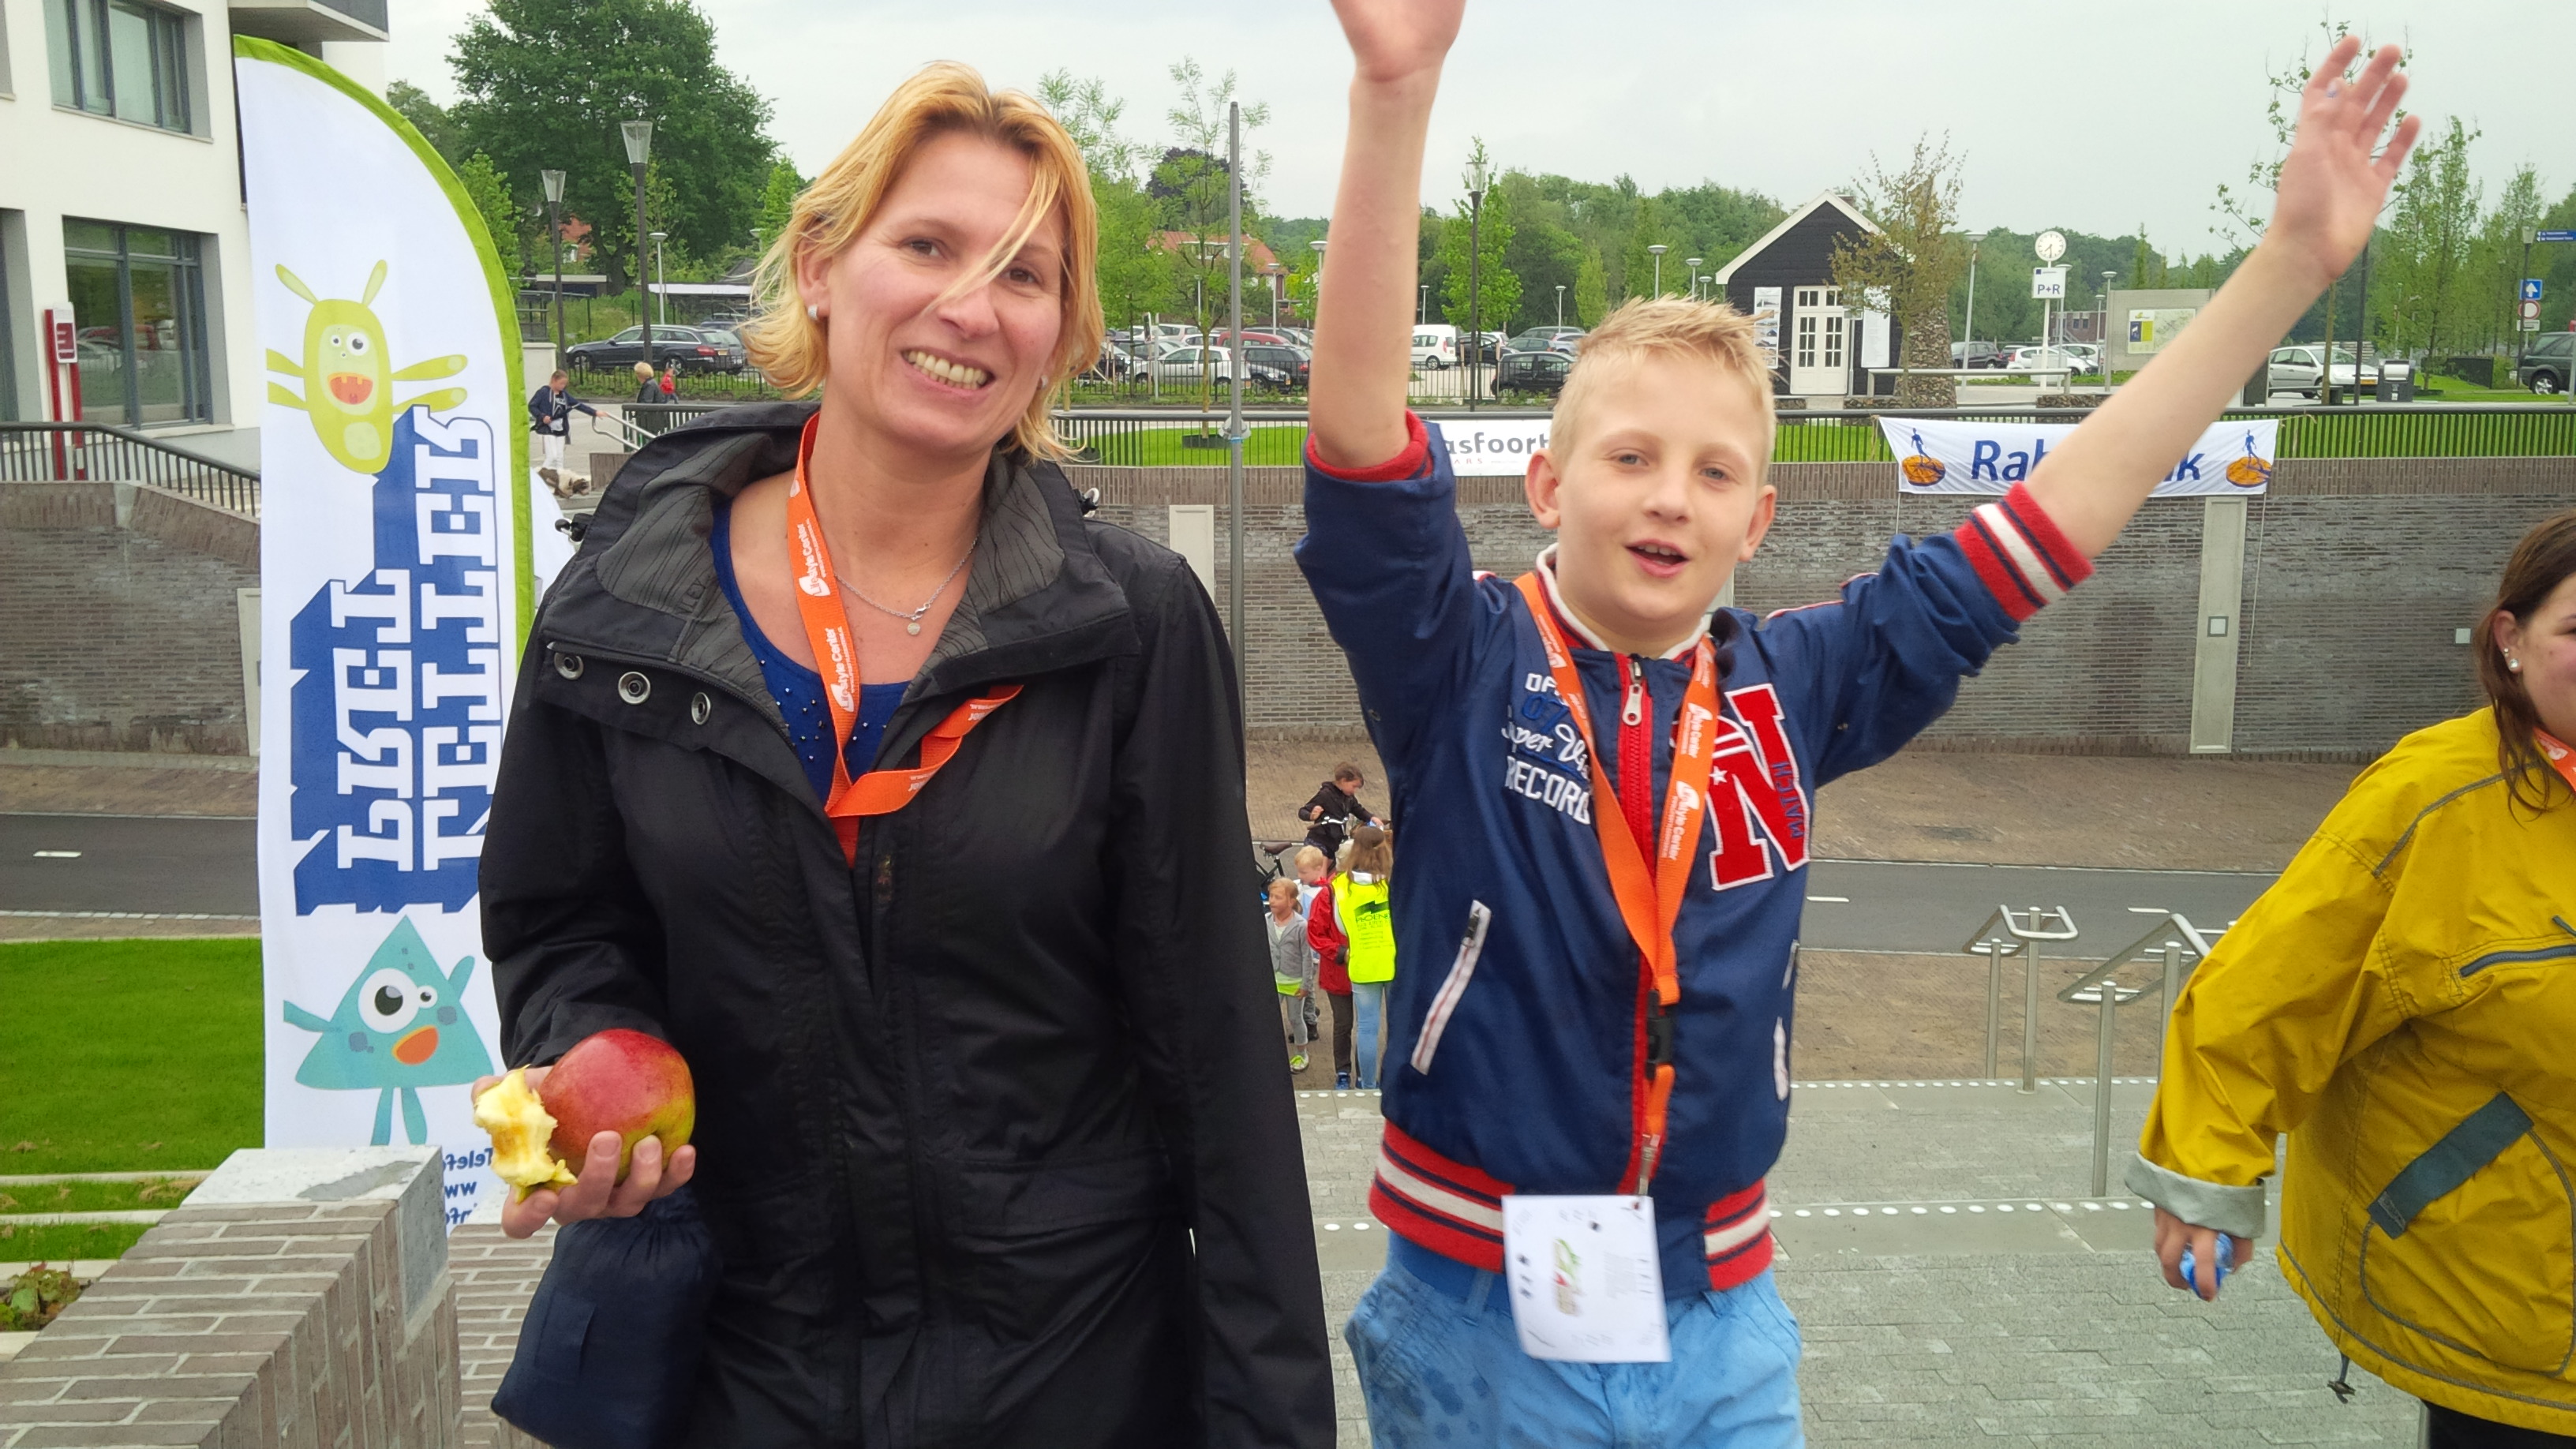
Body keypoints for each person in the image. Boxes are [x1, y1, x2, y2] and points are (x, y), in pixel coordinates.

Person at [1297, 3, 2419, 1443]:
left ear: (1758, 518)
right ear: (1545, 486)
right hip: (1480, 1313)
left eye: (1714, 472)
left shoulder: (1791, 686)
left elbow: (2042, 528)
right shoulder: (1459, 657)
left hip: (1723, 1321)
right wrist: (1395, 92)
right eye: (1629, 456)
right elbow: (1360, 449)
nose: (1669, 496)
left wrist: (2287, 268)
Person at [479, 62, 1330, 1447]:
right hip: (744, 1368)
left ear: (1059, 334)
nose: (970, 307)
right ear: (822, 266)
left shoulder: (1129, 625)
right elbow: (558, 919)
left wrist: (1270, 1423)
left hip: (1073, 1377)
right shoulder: (624, 606)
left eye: (1023, 275)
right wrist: (591, 1055)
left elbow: (1219, 1062)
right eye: (927, 245)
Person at [2132, 508, 2576, 1445]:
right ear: (2511, 639)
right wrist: (2206, 1175)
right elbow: (2268, 989)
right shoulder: (2433, 798)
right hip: (2506, 1300)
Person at [1334, 824, 1395, 1090]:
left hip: (1363, 962)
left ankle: (1368, 1085)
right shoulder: (1395, 881)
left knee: (1367, 1028)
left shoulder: (1340, 885)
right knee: (1397, 1028)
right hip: (1395, 962)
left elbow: (1340, 926)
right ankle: (1394, 1083)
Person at [1306, 847, 1356, 1090]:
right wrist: (1341, 953)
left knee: (1367, 1027)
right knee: (1344, 1024)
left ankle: (1365, 1074)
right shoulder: (1329, 893)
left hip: (1367, 969)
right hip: (1339, 972)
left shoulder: (1373, 888)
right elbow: (1315, 933)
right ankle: (1343, 1071)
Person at [1267, 878, 1316, 1073]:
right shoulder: (1266, 920)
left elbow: (1307, 957)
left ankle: (1302, 1054)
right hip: (1273, 980)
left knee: (1295, 1018)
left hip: (1294, 981)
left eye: (1278, 897)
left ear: (1291, 901)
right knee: (1268, 1018)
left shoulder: (1301, 925)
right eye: (1271, 896)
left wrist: (1306, 985)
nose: (1272, 900)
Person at [526, 369, 599, 480]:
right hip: (546, 429)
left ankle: (560, 479)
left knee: (560, 457)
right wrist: (542, 416)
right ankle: (539, 478)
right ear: (554, 380)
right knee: (552, 456)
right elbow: (532, 406)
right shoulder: (543, 392)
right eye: (561, 384)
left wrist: (594, 412)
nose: (563, 386)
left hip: (560, 429)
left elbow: (577, 405)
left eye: (564, 384)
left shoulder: (564, 395)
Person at [1298, 761, 1377, 858]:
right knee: (1320, 866)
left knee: (1337, 864)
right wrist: (1311, 816)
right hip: (1319, 841)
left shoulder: (1349, 797)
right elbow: (1303, 811)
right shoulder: (1325, 795)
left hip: (1334, 842)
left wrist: (1371, 817)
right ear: (1343, 781)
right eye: (1354, 787)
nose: (1355, 791)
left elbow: (1357, 809)